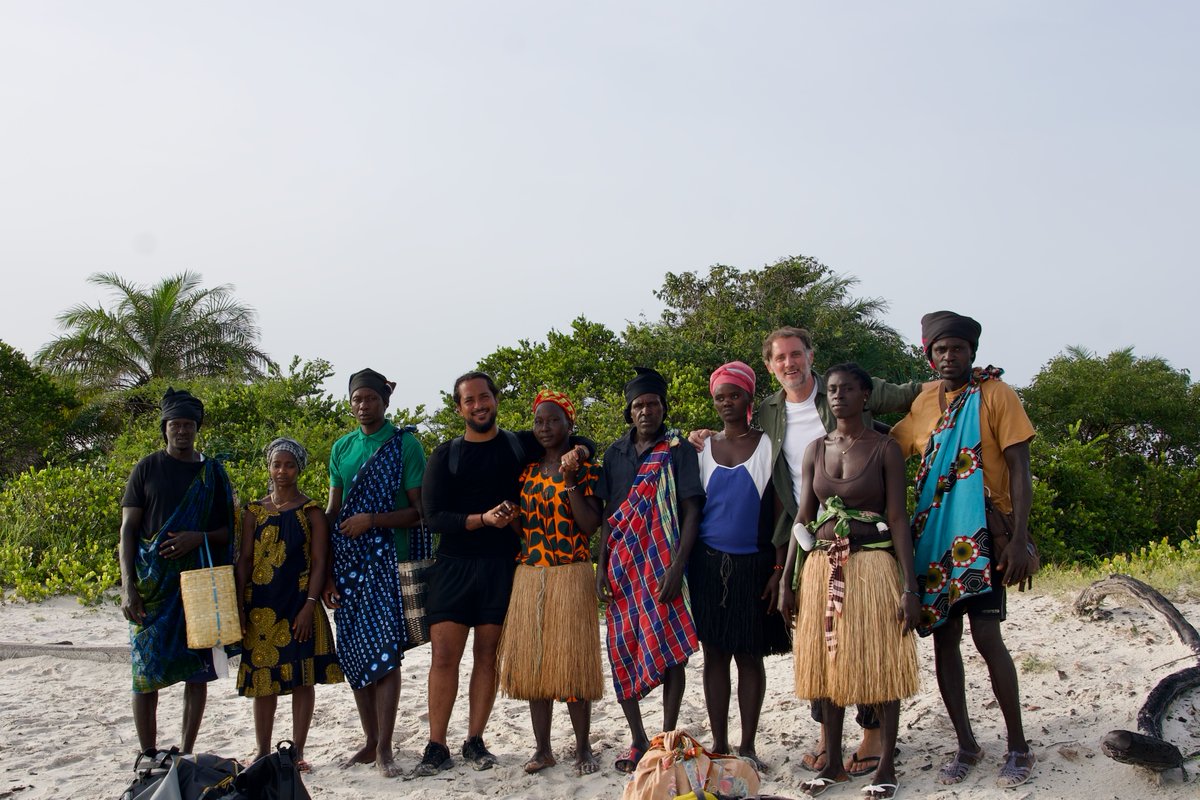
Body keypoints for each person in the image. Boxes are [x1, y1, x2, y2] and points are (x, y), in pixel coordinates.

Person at [692, 327, 924, 775]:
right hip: (808, 537)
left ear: (811, 356)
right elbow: (736, 427)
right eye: (780, 358)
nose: (790, 364)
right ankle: (827, 738)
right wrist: (702, 434)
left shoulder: (841, 388)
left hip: (864, 536)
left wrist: (951, 380)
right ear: (770, 366)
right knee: (820, 646)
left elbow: (907, 394)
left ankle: (873, 733)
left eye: (796, 354)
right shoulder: (768, 411)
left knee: (866, 640)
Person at [415, 371, 592, 776]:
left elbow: (573, 440)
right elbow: (434, 517)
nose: (479, 406)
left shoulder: (520, 443)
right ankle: (436, 744)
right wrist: (482, 519)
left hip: (502, 567)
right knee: (444, 656)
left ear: (495, 399)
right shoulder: (446, 454)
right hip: (454, 566)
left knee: (486, 657)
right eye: (470, 400)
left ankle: (475, 741)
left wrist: (579, 452)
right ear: (459, 408)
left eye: (484, 397)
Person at [889, 311, 1037, 789]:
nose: (949, 356)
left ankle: (1017, 745)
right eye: (940, 350)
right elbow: (886, 451)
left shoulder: (996, 394)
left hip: (984, 537)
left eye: (957, 348)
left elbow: (1019, 469)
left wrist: (1018, 539)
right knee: (946, 642)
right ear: (928, 355)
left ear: (971, 351)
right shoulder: (924, 402)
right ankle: (967, 744)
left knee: (988, 637)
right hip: (934, 541)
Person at [788, 364, 920, 800]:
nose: (839, 396)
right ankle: (834, 765)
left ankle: (885, 765)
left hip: (873, 567)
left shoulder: (886, 449)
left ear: (866, 394)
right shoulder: (814, 450)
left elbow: (898, 518)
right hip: (823, 568)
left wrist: (909, 587)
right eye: (832, 390)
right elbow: (803, 519)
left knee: (881, 662)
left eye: (848, 389)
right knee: (828, 667)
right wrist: (790, 579)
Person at [597, 366, 704, 774]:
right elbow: (609, 514)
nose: (646, 412)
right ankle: (639, 738)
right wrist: (601, 565)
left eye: (653, 404)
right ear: (629, 412)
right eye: (639, 406)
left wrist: (678, 565)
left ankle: (667, 735)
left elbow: (693, 508)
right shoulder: (614, 453)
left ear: (663, 408)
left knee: (671, 649)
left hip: (664, 560)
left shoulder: (678, 450)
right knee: (622, 647)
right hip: (623, 565)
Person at [119, 387, 234, 756]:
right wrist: (128, 587)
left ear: (197, 428)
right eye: (175, 424)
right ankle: (147, 752)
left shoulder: (212, 474)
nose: (182, 431)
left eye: (188, 425)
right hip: (151, 586)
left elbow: (228, 532)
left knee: (195, 670)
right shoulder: (146, 468)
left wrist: (195, 536)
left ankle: (186, 750)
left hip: (197, 583)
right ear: (165, 428)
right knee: (145, 672)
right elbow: (128, 531)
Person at [323, 368, 427, 777]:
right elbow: (334, 512)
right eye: (357, 399)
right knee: (353, 651)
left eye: (370, 398)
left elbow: (418, 512)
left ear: (385, 402)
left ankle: (385, 747)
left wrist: (373, 519)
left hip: (388, 560)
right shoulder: (342, 448)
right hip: (348, 563)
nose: (363, 406)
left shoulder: (406, 446)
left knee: (385, 653)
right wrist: (326, 571)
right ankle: (368, 741)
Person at [496, 389, 604, 777]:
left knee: (573, 664)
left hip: (571, 572)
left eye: (553, 420)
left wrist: (571, 478)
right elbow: (529, 529)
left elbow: (590, 525)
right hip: (531, 574)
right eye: (539, 421)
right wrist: (512, 519)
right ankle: (542, 749)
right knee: (535, 666)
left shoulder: (588, 470)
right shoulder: (527, 472)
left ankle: (582, 747)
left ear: (569, 425)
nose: (544, 428)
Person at [690, 361, 790, 769]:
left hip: (755, 565)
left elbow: (783, 510)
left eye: (735, 395)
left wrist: (778, 570)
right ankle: (719, 743)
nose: (727, 403)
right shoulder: (702, 448)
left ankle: (747, 746)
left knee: (750, 655)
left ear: (750, 398)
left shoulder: (770, 446)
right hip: (708, 566)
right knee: (714, 654)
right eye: (720, 397)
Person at [235, 437, 342, 772]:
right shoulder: (253, 512)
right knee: (263, 680)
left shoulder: (312, 513)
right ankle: (263, 752)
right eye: (276, 464)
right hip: (261, 606)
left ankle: (297, 752)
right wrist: (239, 606)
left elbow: (321, 562)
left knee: (302, 678)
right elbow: (245, 560)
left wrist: (310, 606)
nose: (282, 471)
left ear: (299, 468)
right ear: (268, 467)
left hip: (299, 604)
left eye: (289, 465)